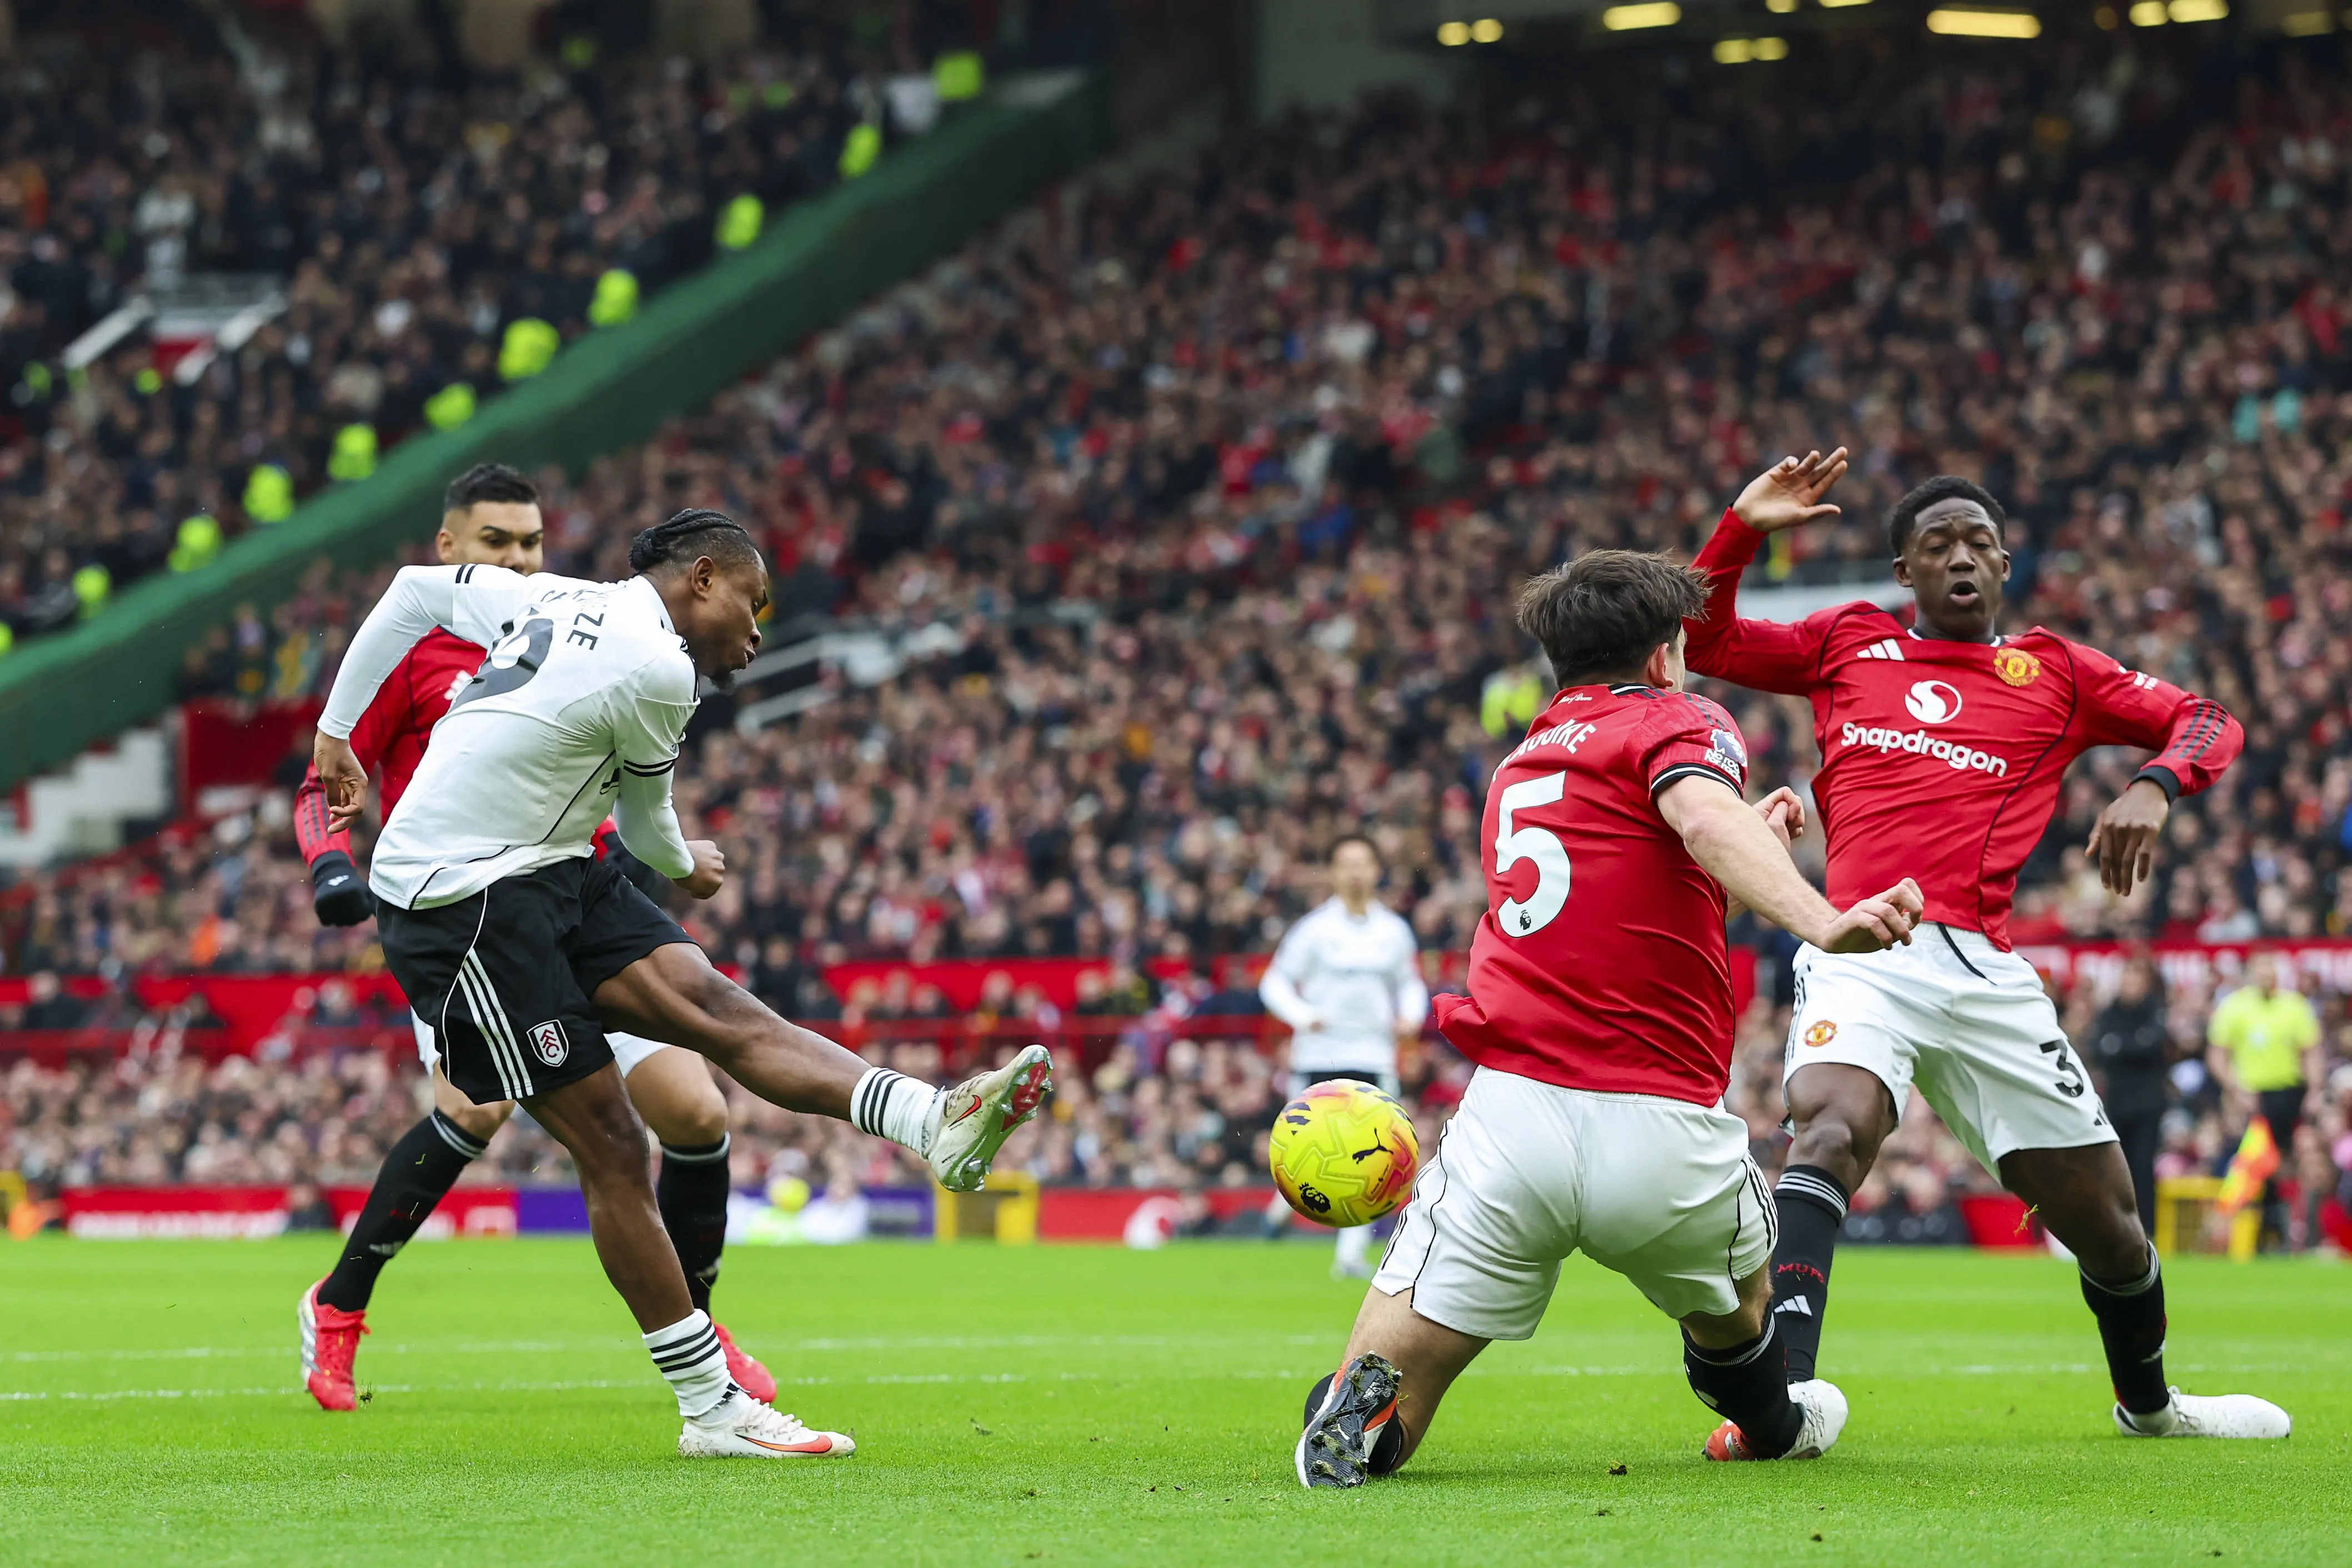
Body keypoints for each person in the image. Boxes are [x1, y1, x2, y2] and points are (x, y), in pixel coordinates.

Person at [310, 507, 1053, 1458]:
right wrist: (693, 861)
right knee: (614, 1142)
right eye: (753, 603)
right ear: (702, 577)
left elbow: (414, 589)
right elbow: (654, 830)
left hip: (551, 863)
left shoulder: (551, 593)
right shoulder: (660, 668)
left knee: (720, 1009)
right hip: (460, 902)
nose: (756, 631)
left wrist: (337, 729)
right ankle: (711, 1407)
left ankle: (932, 1118)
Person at [1684, 450, 2289, 1441]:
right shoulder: (1847, 642)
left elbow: (2207, 717)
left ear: (2005, 565)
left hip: (1983, 967)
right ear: (1905, 572)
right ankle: (1775, 1406)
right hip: (1862, 940)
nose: (1961, 557)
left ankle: (2150, 1404)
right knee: (1830, 1128)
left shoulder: (2056, 670)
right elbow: (1705, 637)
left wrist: (2156, 783)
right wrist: (1743, 527)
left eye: (1979, 543)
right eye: (1938, 544)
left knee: (2109, 1222)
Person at [1296, 549, 1928, 1489]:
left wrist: (1742, 840)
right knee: (1739, 1309)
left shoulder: (1525, 761)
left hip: (1512, 1125)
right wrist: (1820, 916)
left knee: (1385, 1385)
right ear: (1668, 656)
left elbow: (1639, 878)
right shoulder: (1679, 719)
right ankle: (1767, 1416)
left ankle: (1359, 1412)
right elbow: (1703, 824)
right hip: (1663, 1128)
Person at [293, 464, 779, 1414]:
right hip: (473, 911)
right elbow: (327, 782)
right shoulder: (411, 657)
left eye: (530, 542)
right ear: (450, 550)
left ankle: (697, 1325)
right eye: (498, 542)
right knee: (476, 1113)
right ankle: (340, 1301)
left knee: (695, 1110)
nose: (520, 557)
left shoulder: (565, 621)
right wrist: (331, 868)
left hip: (577, 897)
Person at [1258, 836, 1430, 1278]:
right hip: (1320, 1055)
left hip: (1374, 1054)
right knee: (1304, 1147)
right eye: (1346, 864)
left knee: (1376, 1152)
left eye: (1363, 863)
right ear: (1333, 872)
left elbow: (1409, 984)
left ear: (1376, 870)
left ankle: (1349, 1253)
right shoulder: (1313, 929)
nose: (1355, 872)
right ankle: (1281, 1211)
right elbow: (1274, 982)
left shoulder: (1392, 931)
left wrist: (1409, 1017)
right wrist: (1303, 1016)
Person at [2205, 952, 2322, 1249]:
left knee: (2284, 1165)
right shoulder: (2235, 1007)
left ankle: (2288, 1234)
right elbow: (2218, 1055)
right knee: (2252, 1163)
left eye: (2271, 971)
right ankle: (2239, 1232)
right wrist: (2236, 1089)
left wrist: (2314, 1091)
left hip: (2288, 1095)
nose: (2266, 977)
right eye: (2261, 971)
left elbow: (2311, 1052)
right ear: (2250, 975)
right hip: (2252, 1098)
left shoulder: (2294, 1006)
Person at [2088, 957, 2172, 1235]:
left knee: (2143, 1168)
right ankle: (2117, 1228)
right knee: (2116, 1170)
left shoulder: (2154, 1011)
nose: (2129, 986)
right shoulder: (2110, 1012)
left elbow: (2152, 1044)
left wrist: (2120, 1045)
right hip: (2118, 1104)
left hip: (2147, 1106)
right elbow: (2098, 1047)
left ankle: (2147, 1231)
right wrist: (2132, 1044)